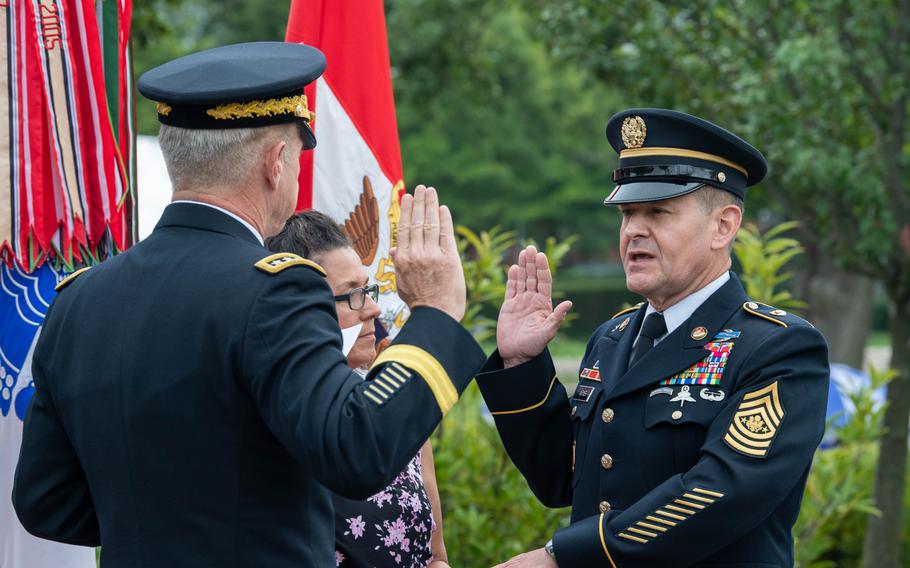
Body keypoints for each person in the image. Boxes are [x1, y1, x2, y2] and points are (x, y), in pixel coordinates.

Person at [12, 42, 485, 567]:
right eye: (299, 158)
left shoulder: (79, 298)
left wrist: (175, 519)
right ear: (276, 163)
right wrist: (435, 316)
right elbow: (358, 449)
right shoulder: (278, 289)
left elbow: (46, 500)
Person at [479, 109, 829, 567]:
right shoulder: (613, 337)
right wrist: (522, 365)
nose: (634, 231)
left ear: (723, 226)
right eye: (627, 213)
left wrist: (563, 557)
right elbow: (560, 481)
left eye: (658, 212)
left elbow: (721, 492)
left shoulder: (777, 348)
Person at [266, 211, 450, 568]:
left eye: (368, 289)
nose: (373, 309)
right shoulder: (280, 413)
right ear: (302, 308)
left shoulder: (394, 399)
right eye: (350, 295)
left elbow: (436, 555)